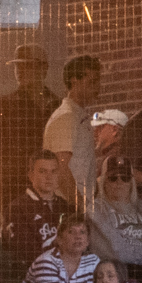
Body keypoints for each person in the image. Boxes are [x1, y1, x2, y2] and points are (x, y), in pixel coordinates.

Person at [0, 43, 61, 226]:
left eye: (27, 65)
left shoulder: (57, 107)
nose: (20, 71)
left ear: (43, 68)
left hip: (51, 192)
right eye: (18, 66)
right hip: (14, 191)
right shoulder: (2, 107)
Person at [44, 54, 103, 209]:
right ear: (74, 81)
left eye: (98, 81)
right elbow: (61, 169)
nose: (97, 87)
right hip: (67, 208)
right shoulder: (66, 117)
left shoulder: (78, 117)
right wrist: (81, 208)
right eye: (92, 81)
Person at [1, 151, 67, 273]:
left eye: (53, 171)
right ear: (31, 175)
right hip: (34, 279)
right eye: (42, 171)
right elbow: (25, 253)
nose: (49, 177)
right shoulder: (17, 209)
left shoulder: (66, 207)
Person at [88, 156, 142, 270]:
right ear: (103, 182)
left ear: (131, 183)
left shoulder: (141, 207)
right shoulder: (96, 210)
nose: (119, 182)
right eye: (113, 178)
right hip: (116, 275)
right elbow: (116, 252)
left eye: (125, 178)